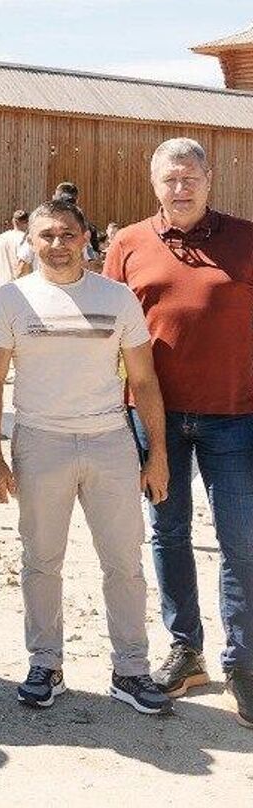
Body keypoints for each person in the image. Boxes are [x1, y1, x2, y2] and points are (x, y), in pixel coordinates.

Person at [0, 200, 173, 715]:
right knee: (42, 560)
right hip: (40, 442)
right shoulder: (10, 300)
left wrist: (156, 455)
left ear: (85, 236)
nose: (58, 244)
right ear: (31, 240)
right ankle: (46, 663)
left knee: (125, 564)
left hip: (110, 442)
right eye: (47, 235)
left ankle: (131, 670)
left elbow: (145, 380)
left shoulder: (118, 298)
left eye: (68, 234)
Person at [104, 137, 253, 728]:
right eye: (170, 179)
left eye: (190, 177)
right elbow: (107, 328)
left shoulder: (246, 238)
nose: (181, 187)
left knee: (240, 541)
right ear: (153, 181)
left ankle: (243, 664)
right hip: (154, 419)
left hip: (235, 416)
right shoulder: (129, 243)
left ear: (209, 178)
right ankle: (185, 650)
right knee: (168, 533)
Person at [0, 210, 29, 290]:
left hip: (0, 287)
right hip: (19, 288)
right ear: (27, 222)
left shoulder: (0, 238)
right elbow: (24, 266)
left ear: (13, 221)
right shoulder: (26, 240)